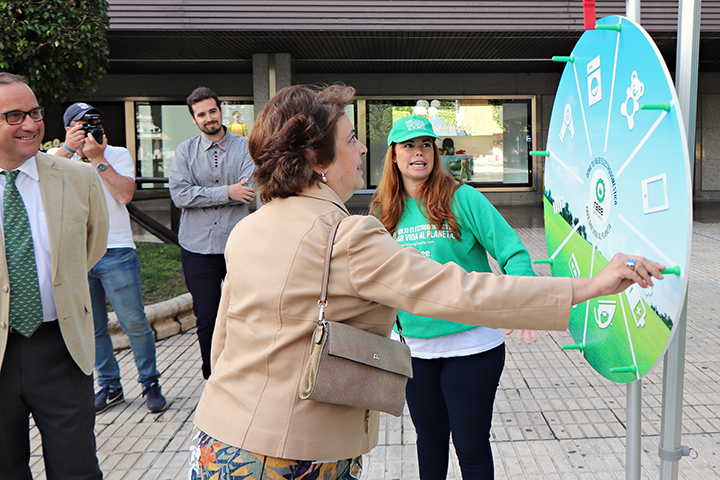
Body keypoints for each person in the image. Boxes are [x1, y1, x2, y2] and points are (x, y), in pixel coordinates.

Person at [187, 83, 664, 479]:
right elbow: (460, 291)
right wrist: (593, 285)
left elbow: (222, 339)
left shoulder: (248, 228)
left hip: (215, 442)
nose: (363, 148)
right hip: (290, 453)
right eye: (352, 139)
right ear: (318, 159)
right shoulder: (347, 233)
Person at [371, 114, 539, 478]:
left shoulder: (463, 198)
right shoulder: (383, 210)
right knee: (429, 441)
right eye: (409, 146)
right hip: (415, 349)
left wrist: (525, 305)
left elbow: (512, 252)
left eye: (426, 145)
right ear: (394, 156)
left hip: (472, 346)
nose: (419, 153)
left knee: (470, 446)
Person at [0, 73, 109, 479]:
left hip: (62, 348)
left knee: (76, 469)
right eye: (13, 116)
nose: (29, 125)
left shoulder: (78, 178)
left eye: (34, 113)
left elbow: (91, 247)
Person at [48, 102, 167, 414]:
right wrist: (69, 150)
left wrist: (98, 159)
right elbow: (39, 179)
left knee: (134, 323)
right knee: (93, 327)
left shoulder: (116, 154)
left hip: (116, 250)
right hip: (76, 254)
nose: (88, 130)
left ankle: (149, 382)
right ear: (68, 129)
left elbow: (125, 194)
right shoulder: (54, 160)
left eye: (93, 123)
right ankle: (110, 386)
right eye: (80, 125)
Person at [169, 86, 256, 380]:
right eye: (201, 114)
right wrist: (227, 192)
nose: (209, 118)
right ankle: (213, 376)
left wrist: (207, 193)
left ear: (221, 111)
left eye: (213, 111)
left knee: (244, 316)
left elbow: (249, 190)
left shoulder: (246, 147)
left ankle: (243, 375)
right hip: (197, 248)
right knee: (206, 318)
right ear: (194, 119)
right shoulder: (185, 152)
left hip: (238, 245)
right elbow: (180, 195)